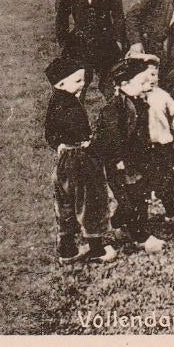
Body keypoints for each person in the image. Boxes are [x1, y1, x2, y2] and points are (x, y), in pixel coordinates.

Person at [44, 56, 116, 263]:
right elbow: (81, 136)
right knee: (91, 200)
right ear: (61, 83)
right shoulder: (71, 107)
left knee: (66, 202)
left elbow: (50, 134)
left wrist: (59, 146)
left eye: (83, 80)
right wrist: (92, 144)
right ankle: (97, 249)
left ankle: (67, 248)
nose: (82, 84)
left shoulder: (55, 102)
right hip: (80, 159)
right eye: (77, 81)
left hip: (64, 160)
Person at [91, 58, 165, 253]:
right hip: (121, 162)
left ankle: (119, 223)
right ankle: (140, 236)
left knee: (139, 193)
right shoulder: (114, 109)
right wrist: (120, 161)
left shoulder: (137, 102)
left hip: (137, 158)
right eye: (140, 83)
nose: (145, 86)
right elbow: (113, 140)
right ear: (123, 85)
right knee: (132, 197)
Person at [55, 0, 127, 99]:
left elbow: (118, 14)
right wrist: (65, 44)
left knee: (112, 81)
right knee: (79, 83)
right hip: (81, 44)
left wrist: (118, 39)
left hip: (107, 42)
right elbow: (61, 18)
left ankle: (117, 114)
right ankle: (74, 115)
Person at [133, 54, 174, 227]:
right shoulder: (132, 99)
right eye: (147, 76)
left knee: (166, 180)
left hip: (162, 146)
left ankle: (170, 211)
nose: (152, 79)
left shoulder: (162, 96)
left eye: (155, 75)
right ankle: (139, 217)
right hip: (142, 148)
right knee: (141, 182)